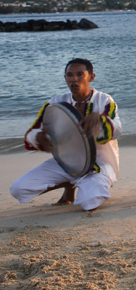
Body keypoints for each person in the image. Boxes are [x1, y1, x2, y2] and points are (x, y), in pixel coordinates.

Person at [10, 58, 122, 211]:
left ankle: (80, 185)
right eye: (69, 75)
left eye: (80, 74)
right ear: (65, 78)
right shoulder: (56, 103)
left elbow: (117, 130)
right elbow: (32, 133)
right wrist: (38, 137)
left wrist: (100, 121)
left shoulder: (104, 100)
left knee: (90, 202)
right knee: (18, 189)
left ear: (91, 77)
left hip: (98, 165)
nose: (74, 80)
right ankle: (69, 185)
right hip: (65, 163)